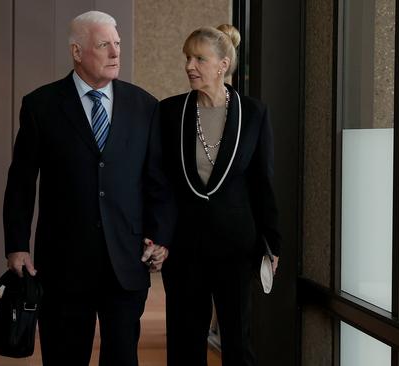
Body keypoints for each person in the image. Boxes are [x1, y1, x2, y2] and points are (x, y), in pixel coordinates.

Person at [2, 10, 175, 366]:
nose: (115, 53)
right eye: (104, 45)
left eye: (118, 44)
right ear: (77, 52)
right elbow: (21, 182)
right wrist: (17, 245)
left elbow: (158, 182)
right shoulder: (40, 106)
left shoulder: (144, 106)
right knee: (64, 357)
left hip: (126, 262)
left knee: (123, 359)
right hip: (63, 263)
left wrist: (160, 237)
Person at [159, 24, 281, 366]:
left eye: (199, 58)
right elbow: (161, 182)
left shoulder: (254, 113)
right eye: (187, 58)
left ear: (222, 65)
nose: (189, 66)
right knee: (184, 342)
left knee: (237, 342)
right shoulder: (169, 112)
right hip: (184, 249)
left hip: (237, 248)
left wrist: (272, 243)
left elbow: (263, 182)